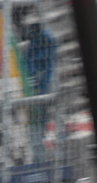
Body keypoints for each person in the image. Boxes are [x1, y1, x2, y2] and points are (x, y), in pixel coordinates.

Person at [16, 6, 57, 164]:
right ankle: (38, 158)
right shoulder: (38, 39)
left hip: (39, 88)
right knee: (35, 128)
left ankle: (39, 160)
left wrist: (36, 85)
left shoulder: (45, 40)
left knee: (37, 127)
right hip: (36, 87)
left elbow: (42, 68)